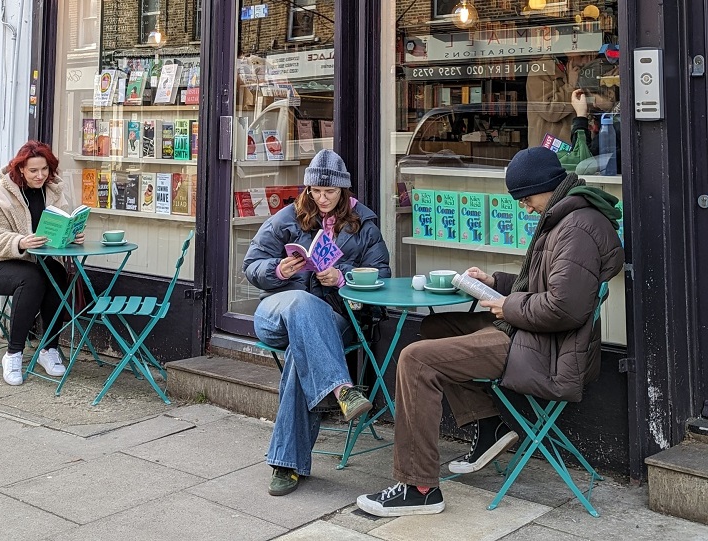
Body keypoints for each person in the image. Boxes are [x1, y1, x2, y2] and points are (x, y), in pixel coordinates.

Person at [357, 147, 624, 517]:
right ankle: (488, 428)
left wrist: (507, 306)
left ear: (546, 186)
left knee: (416, 361)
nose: (525, 208)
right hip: (532, 335)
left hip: (542, 350)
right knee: (436, 327)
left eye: (526, 198)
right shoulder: (566, 217)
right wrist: (495, 282)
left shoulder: (576, 228)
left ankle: (418, 488)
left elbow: (564, 308)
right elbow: (548, 286)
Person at [243, 149, 391, 497]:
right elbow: (251, 264)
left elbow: (381, 276)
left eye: (330, 193)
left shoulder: (364, 225)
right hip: (276, 312)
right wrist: (277, 270)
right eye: (315, 192)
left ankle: (286, 464)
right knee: (300, 302)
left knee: (301, 350)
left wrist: (342, 277)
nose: (322, 199)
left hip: (332, 318)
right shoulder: (286, 218)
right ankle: (342, 388)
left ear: (344, 192)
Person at [0, 141, 85, 386]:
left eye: (44, 169)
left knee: (56, 273)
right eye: (33, 171)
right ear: (21, 170)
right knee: (32, 278)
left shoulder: (53, 191)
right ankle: (13, 354)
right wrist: (21, 241)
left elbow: (58, 226)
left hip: (34, 263)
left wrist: (72, 235)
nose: (40, 175)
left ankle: (48, 349)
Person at [526, 53, 594, 147]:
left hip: (570, 146)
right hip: (549, 149)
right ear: (569, 52)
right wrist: (570, 86)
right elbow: (549, 110)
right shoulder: (541, 70)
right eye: (583, 56)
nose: (587, 60)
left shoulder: (574, 70)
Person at [570, 57, 621, 174]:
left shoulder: (615, 125)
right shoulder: (618, 117)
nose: (592, 104)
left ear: (610, 94)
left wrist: (581, 116)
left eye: (593, 98)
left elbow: (582, 162)